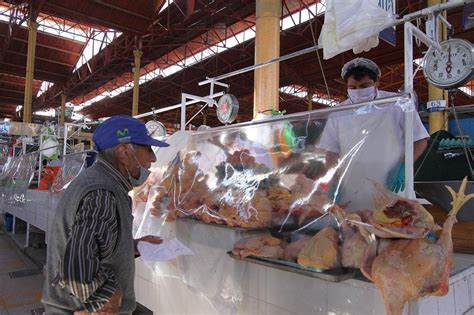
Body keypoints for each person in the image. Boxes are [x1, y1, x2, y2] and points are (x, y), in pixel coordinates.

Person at [42, 115, 169, 314]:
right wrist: (106, 296)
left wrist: (131, 246)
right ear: (124, 153)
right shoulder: (102, 193)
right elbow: (78, 270)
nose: (152, 158)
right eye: (148, 149)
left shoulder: (99, 182)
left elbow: (91, 243)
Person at [317, 58, 429, 211]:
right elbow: (331, 152)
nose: (358, 91)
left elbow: (420, 140)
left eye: (364, 86)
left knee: (397, 224)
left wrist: (403, 167)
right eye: (353, 87)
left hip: (391, 182)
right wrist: (333, 179)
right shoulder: (338, 112)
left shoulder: (397, 103)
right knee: (355, 227)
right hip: (351, 185)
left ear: (377, 82)